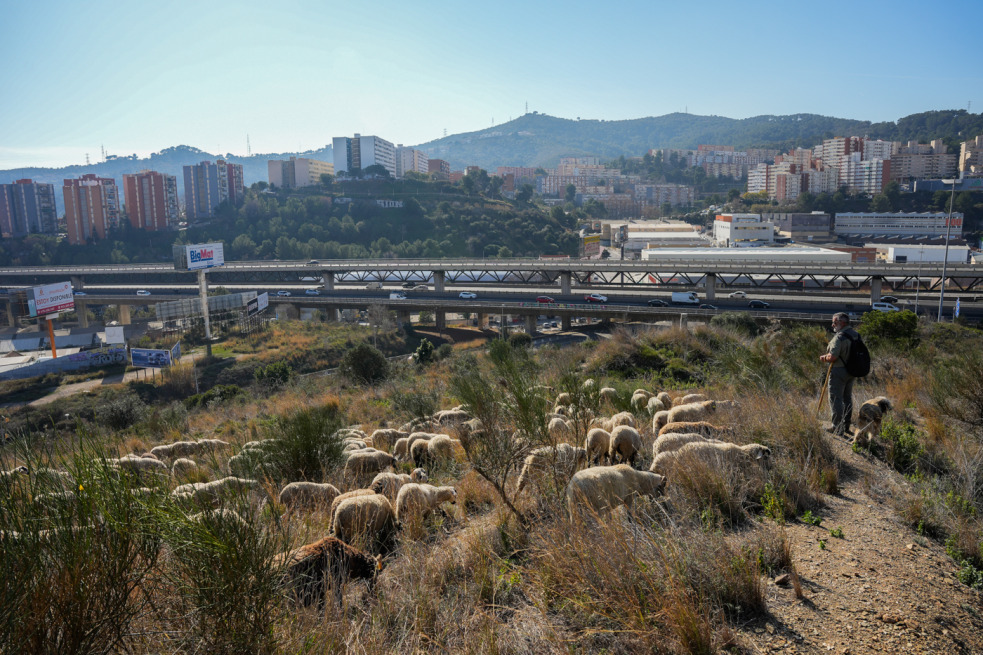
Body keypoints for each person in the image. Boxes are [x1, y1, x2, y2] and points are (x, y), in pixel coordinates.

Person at [819, 312, 860, 436]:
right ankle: (846, 426)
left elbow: (833, 357)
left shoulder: (839, 337)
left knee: (836, 398)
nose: (833, 325)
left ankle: (837, 427)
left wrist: (824, 357)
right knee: (847, 398)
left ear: (841, 323)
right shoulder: (856, 334)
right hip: (851, 371)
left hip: (838, 371)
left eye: (835, 323)